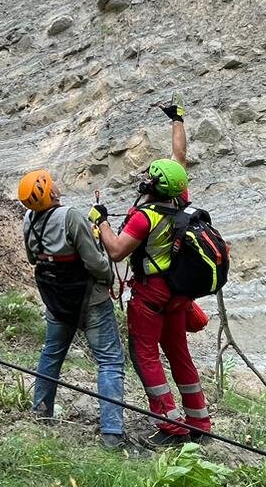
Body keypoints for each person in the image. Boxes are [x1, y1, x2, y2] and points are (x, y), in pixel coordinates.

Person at [95, 142, 214, 447]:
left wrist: (102, 222)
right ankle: (199, 421)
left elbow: (118, 251)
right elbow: (180, 159)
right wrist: (178, 120)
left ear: (153, 184)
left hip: (151, 294)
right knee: (179, 355)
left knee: (145, 355)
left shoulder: (144, 217)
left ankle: (170, 424)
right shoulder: (181, 203)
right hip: (177, 294)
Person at [16, 168, 133, 452]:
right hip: (88, 298)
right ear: (49, 191)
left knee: (52, 352)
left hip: (56, 299)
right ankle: (112, 434)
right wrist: (108, 279)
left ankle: (41, 413)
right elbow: (95, 263)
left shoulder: (29, 220)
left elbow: (34, 257)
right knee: (109, 361)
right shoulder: (70, 216)